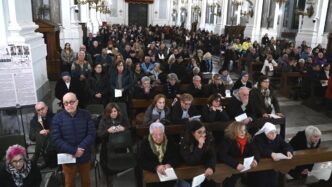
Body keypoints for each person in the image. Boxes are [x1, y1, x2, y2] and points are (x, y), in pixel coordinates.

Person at [51, 92, 96, 187]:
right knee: (69, 183)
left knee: (86, 182)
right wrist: (74, 150)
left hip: (84, 154)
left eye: (71, 102)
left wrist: (81, 148)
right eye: (66, 103)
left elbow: (91, 134)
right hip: (68, 156)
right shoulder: (57, 118)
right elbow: (56, 139)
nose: (69, 105)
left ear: (77, 102)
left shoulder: (86, 114)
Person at [138, 122, 180, 187]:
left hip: (168, 178)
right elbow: (142, 161)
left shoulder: (170, 141)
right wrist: (156, 167)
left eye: (161, 134)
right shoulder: (145, 143)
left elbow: (177, 157)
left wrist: (169, 164)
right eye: (155, 135)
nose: (159, 137)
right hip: (152, 178)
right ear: (151, 134)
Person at [218, 122, 259, 187]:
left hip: (243, 166)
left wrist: (255, 159)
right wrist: (235, 164)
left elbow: (254, 150)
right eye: (240, 130)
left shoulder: (248, 138)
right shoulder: (227, 140)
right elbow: (222, 155)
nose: (243, 132)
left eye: (244, 130)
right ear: (234, 130)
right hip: (229, 167)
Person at [252, 122, 293, 187]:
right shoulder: (258, 138)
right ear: (266, 133)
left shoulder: (278, 137)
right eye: (271, 133)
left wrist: (288, 151)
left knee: (273, 182)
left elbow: (285, 145)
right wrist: (271, 153)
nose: (274, 134)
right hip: (261, 166)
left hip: (273, 166)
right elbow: (259, 149)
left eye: (275, 132)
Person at [179, 120, 216, 186]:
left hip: (200, 172)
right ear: (193, 133)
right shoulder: (185, 142)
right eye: (199, 132)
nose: (202, 135)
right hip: (186, 173)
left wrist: (210, 167)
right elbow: (190, 161)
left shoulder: (208, 139)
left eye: (204, 132)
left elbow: (211, 155)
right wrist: (199, 146)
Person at [97, 103, 129, 175]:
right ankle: (109, 173)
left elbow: (130, 130)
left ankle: (119, 169)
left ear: (118, 111)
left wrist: (123, 129)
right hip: (107, 144)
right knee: (106, 158)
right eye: (111, 112)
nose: (113, 113)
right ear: (107, 113)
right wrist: (108, 131)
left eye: (115, 111)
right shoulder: (103, 120)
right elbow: (99, 134)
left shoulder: (122, 118)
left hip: (120, 143)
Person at [29, 102, 56, 167]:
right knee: (39, 134)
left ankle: (36, 158)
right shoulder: (34, 121)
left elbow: (59, 131)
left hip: (52, 143)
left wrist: (48, 131)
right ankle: (39, 158)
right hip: (43, 145)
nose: (41, 111)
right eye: (39, 110)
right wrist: (39, 132)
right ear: (36, 111)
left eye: (42, 109)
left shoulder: (55, 117)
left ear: (46, 108)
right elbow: (31, 137)